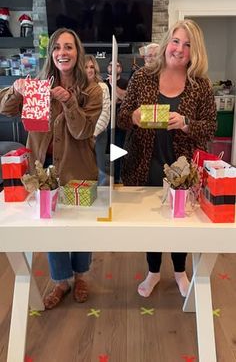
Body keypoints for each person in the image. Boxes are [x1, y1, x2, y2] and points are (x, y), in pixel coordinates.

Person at [0, 28, 103, 309]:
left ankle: (81, 276)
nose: (62, 52)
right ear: (52, 53)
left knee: (80, 227)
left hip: (77, 170)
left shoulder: (92, 90)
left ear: (77, 52)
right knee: (49, 226)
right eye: (57, 47)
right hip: (42, 171)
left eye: (69, 47)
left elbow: (83, 131)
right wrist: (15, 89)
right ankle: (61, 281)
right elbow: (6, 109)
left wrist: (69, 101)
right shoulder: (37, 84)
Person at [117, 19, 217, 298]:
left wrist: (186, 123)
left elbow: (210, 127)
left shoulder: (201, 86)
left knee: (180, 220)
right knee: (153, 223)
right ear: (166, 44)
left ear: (195, 52)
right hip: (145, 162)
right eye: (175, 41)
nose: (179, 49)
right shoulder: (142, 78)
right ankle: (153, 271)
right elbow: (123, 118)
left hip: (182, 167)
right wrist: (135, 117)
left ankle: (179, 271)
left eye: (187, 45)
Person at [85, 54, 110, 185]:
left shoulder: (103, 87)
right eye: (85, 67)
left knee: (99, 170)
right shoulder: (77, 87)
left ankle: (101, 201)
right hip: (80, 136)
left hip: (98, 135)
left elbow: (105, 114)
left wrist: (92, 134)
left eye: (92, 67)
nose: (89, 70)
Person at [105, 58, 128, 183]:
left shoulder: (127, 82)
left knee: (117, 152)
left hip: (119, 125)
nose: (113, 67)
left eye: (117, 65)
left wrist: (114, 86)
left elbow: (125, 98)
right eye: (111, 65)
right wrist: (117, 99)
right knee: (102, 153)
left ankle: (117, 179)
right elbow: (106, 102)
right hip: (104, 124)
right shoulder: (103, 83)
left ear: (121, 68)